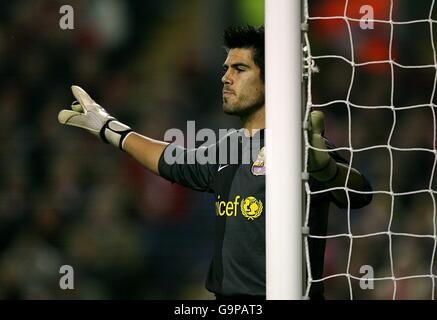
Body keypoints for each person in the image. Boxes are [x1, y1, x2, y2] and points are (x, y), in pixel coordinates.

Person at [58, 25, 372, 300]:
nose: (225, 77)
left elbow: (358, 193)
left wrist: (325, 169)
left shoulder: (298, 146)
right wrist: (109, 128)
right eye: (226, 68)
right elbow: (171, 160)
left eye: (239, 69)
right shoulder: (226, 149)